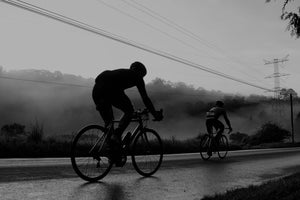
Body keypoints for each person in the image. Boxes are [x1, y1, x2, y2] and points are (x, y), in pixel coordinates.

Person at [92, 61, 163, 165]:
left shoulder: (122, 74)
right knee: (129, 110)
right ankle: (116, 137)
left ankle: (112, 153)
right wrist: (155, 114)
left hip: (97, 90)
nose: (142, 78)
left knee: (109, 124)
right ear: (141, 72)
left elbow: (120, 92)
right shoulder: (136, 76)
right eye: (143, 75)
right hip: (110, 89)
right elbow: (145, 98)